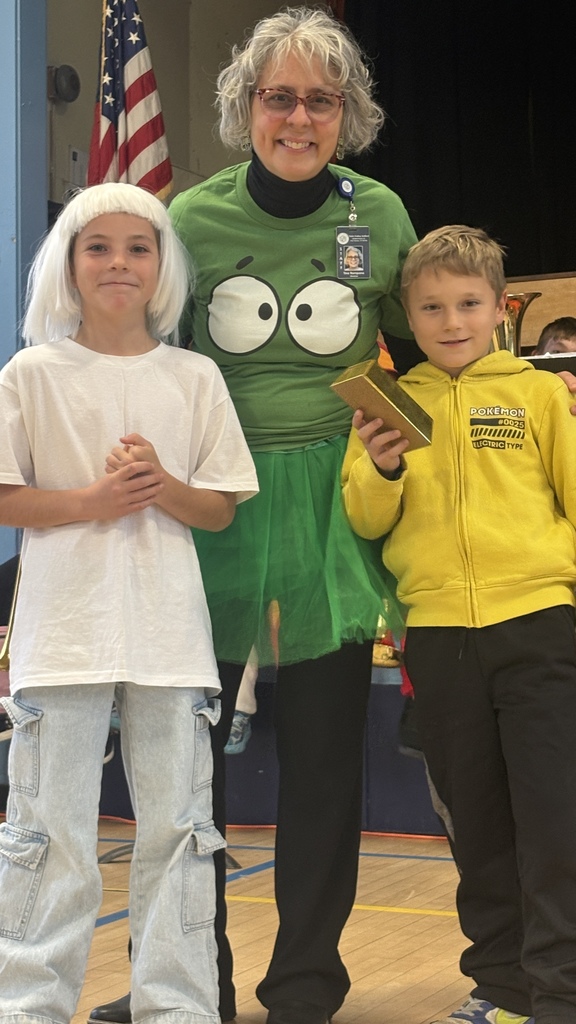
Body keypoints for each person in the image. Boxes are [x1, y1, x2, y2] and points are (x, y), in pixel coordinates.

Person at [90, 9, 418, 1024]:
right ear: (246, 107)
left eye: (321, 99)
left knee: (325, 758)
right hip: (212, 504)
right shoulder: (191, 219)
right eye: (279, 96)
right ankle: (187, 986)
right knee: (182, 759)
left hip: (333, 514)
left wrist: (415, 438)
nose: (299, 116)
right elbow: (143, 353)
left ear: (346, 113)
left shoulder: (385, 215)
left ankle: (308, 986)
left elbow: (428, 349)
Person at [0, 182, 258, 1024]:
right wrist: (91, 502)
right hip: (62, 635)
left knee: (179, 834)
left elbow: (218, 506)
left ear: (163, 266)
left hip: (169, 637)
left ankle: (178, 1009)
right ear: (69, 265)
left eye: (138, 247)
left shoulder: (194, 375)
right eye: (98, 247)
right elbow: (5, 494)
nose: (119, 263)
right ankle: (30, 1005)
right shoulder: (30, 373)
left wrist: (162, 486)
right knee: (48, 836)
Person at [343, 224, 576, 1024]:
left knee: (555, 821)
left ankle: (561, 994)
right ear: (407, 312)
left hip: (540, 628)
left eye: (469, 304)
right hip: (439, 639)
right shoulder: (391, 404)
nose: (451, 321)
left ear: (499, 309)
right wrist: (382, 467)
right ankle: (504, 989)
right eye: (432, 306)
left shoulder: (541, 395)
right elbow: (366, 521)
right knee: (476, 824)